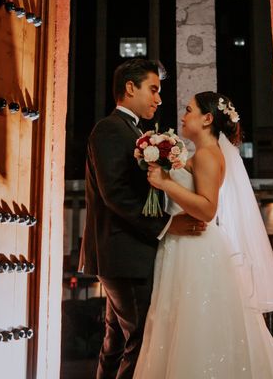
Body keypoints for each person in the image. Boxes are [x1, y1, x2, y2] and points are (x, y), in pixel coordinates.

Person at [134, 91, 273, 379]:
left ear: (207, 119)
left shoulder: (208, 155)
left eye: (189, 110)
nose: (183, 115)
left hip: (195, 249)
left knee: (194, 328)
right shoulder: (200, 154)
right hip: (185, 246)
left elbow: (207, 209)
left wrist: (165, 183)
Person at [79, 58, 207, 379]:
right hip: (124, 256)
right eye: (153, 89)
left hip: (125, 256)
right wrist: (166, 223)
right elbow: (117, 194)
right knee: (142, 339)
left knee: (116, 343)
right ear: (130, 87)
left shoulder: (134, 131)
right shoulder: (110, 129)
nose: (159, 99)